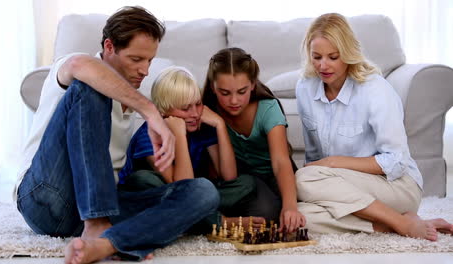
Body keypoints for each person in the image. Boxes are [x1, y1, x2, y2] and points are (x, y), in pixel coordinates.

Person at [14, 6, 219, 264]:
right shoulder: (77, 67)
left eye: (150, 61)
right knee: (91, 87)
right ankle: (98, 223)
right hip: (44, 198)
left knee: (203, 192)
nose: (145, 70)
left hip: (97, 208)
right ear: (109, 47)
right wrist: (150, 111)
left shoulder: (128, 98)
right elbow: (81, 66)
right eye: (136, 59)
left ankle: (109, 243)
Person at [295, 12, 453, 241]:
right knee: (298, 217)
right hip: (339, 186)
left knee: (303, 179)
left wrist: (331, 164)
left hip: (396, 185)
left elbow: (396, 161)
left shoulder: (375, 89)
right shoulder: (305, 88)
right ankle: (391, 223)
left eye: (333, 57)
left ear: (348, 54)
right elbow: (313, 156)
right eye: (316, 57)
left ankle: (399, 221)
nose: (323, 65)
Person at [118, 66, 258, 232]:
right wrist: (179, 135)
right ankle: (220, 222)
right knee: (142, 178)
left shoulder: (201, 127)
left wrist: (220, 125)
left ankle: (192, 218)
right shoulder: (148, 136)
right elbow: (184, 188)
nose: (195, 114)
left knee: (245, 183)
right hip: (149, 195)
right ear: (163, 112)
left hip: (181, 198)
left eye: (197, 104)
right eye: (185, 108)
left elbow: (229, 176)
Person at [203, 47, 306, 232]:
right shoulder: (210, 112)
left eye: (242, 91)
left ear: (252, 84)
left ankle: (220, 216)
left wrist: (290, 206)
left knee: (272, 213)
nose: (234, 101)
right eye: (225, 93)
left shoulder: (268, 109)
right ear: (213, 87)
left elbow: (281, 162)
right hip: (239, 181)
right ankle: (220, 218)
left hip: (271, 176)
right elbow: (218, 172)